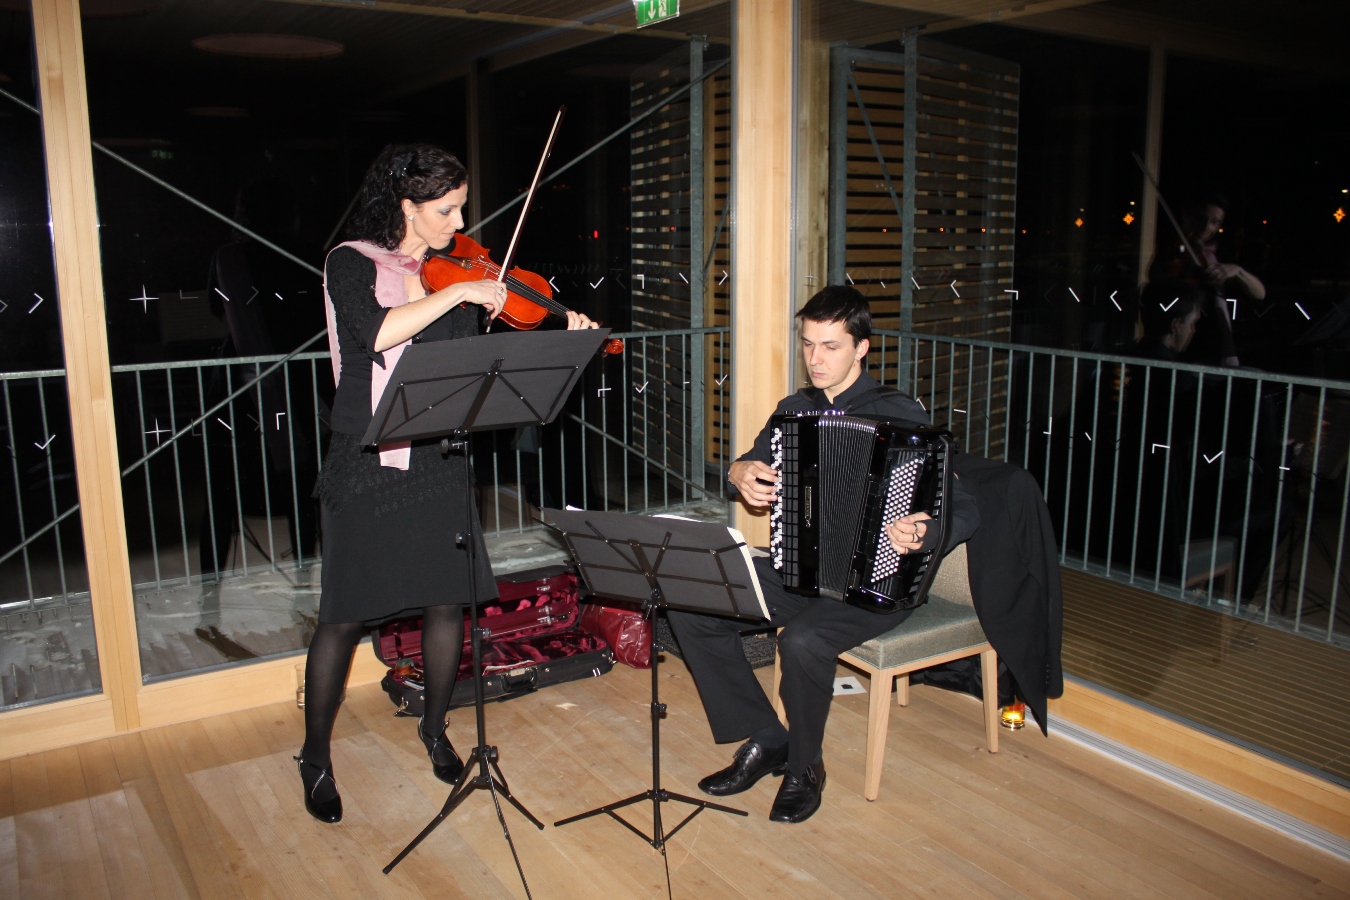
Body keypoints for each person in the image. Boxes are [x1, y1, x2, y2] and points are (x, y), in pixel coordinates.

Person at [295, 143, 596, 824]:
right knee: (343, 615)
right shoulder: (351, 262)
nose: (460, 223)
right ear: (406, 206)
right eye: (446, 210)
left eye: (461, 207)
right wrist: (457, 292)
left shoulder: (452, 267)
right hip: (368, 460)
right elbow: (373, 333)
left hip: (440, 457)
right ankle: (315, 755)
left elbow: (482, 361)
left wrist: (562, 332)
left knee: (443, 603)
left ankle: (434, 728)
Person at [666, 286, 980, 824]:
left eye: (831, 346)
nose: (815, 358)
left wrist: (925, 533)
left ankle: (804, 767)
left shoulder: (900, 413)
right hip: (799, 570)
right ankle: (769, 737)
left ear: (862, 348)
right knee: (692, 602)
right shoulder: (794, 412)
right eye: (808, 343)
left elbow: (964, 506)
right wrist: (739, 471)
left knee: (804, 641)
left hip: (877, 584)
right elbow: (748, 464)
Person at [1149, 194, 1265, 367]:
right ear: (1188, 217)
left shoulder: (1220, 253)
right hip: (1183, 344)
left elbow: (1259, 293)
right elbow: (1156, 279)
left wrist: (1238, 271)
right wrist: (1187, 268)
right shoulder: (1172, 250)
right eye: (1201, 219)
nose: (1206, 228)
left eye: (1215, 222)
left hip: (1218, 343)